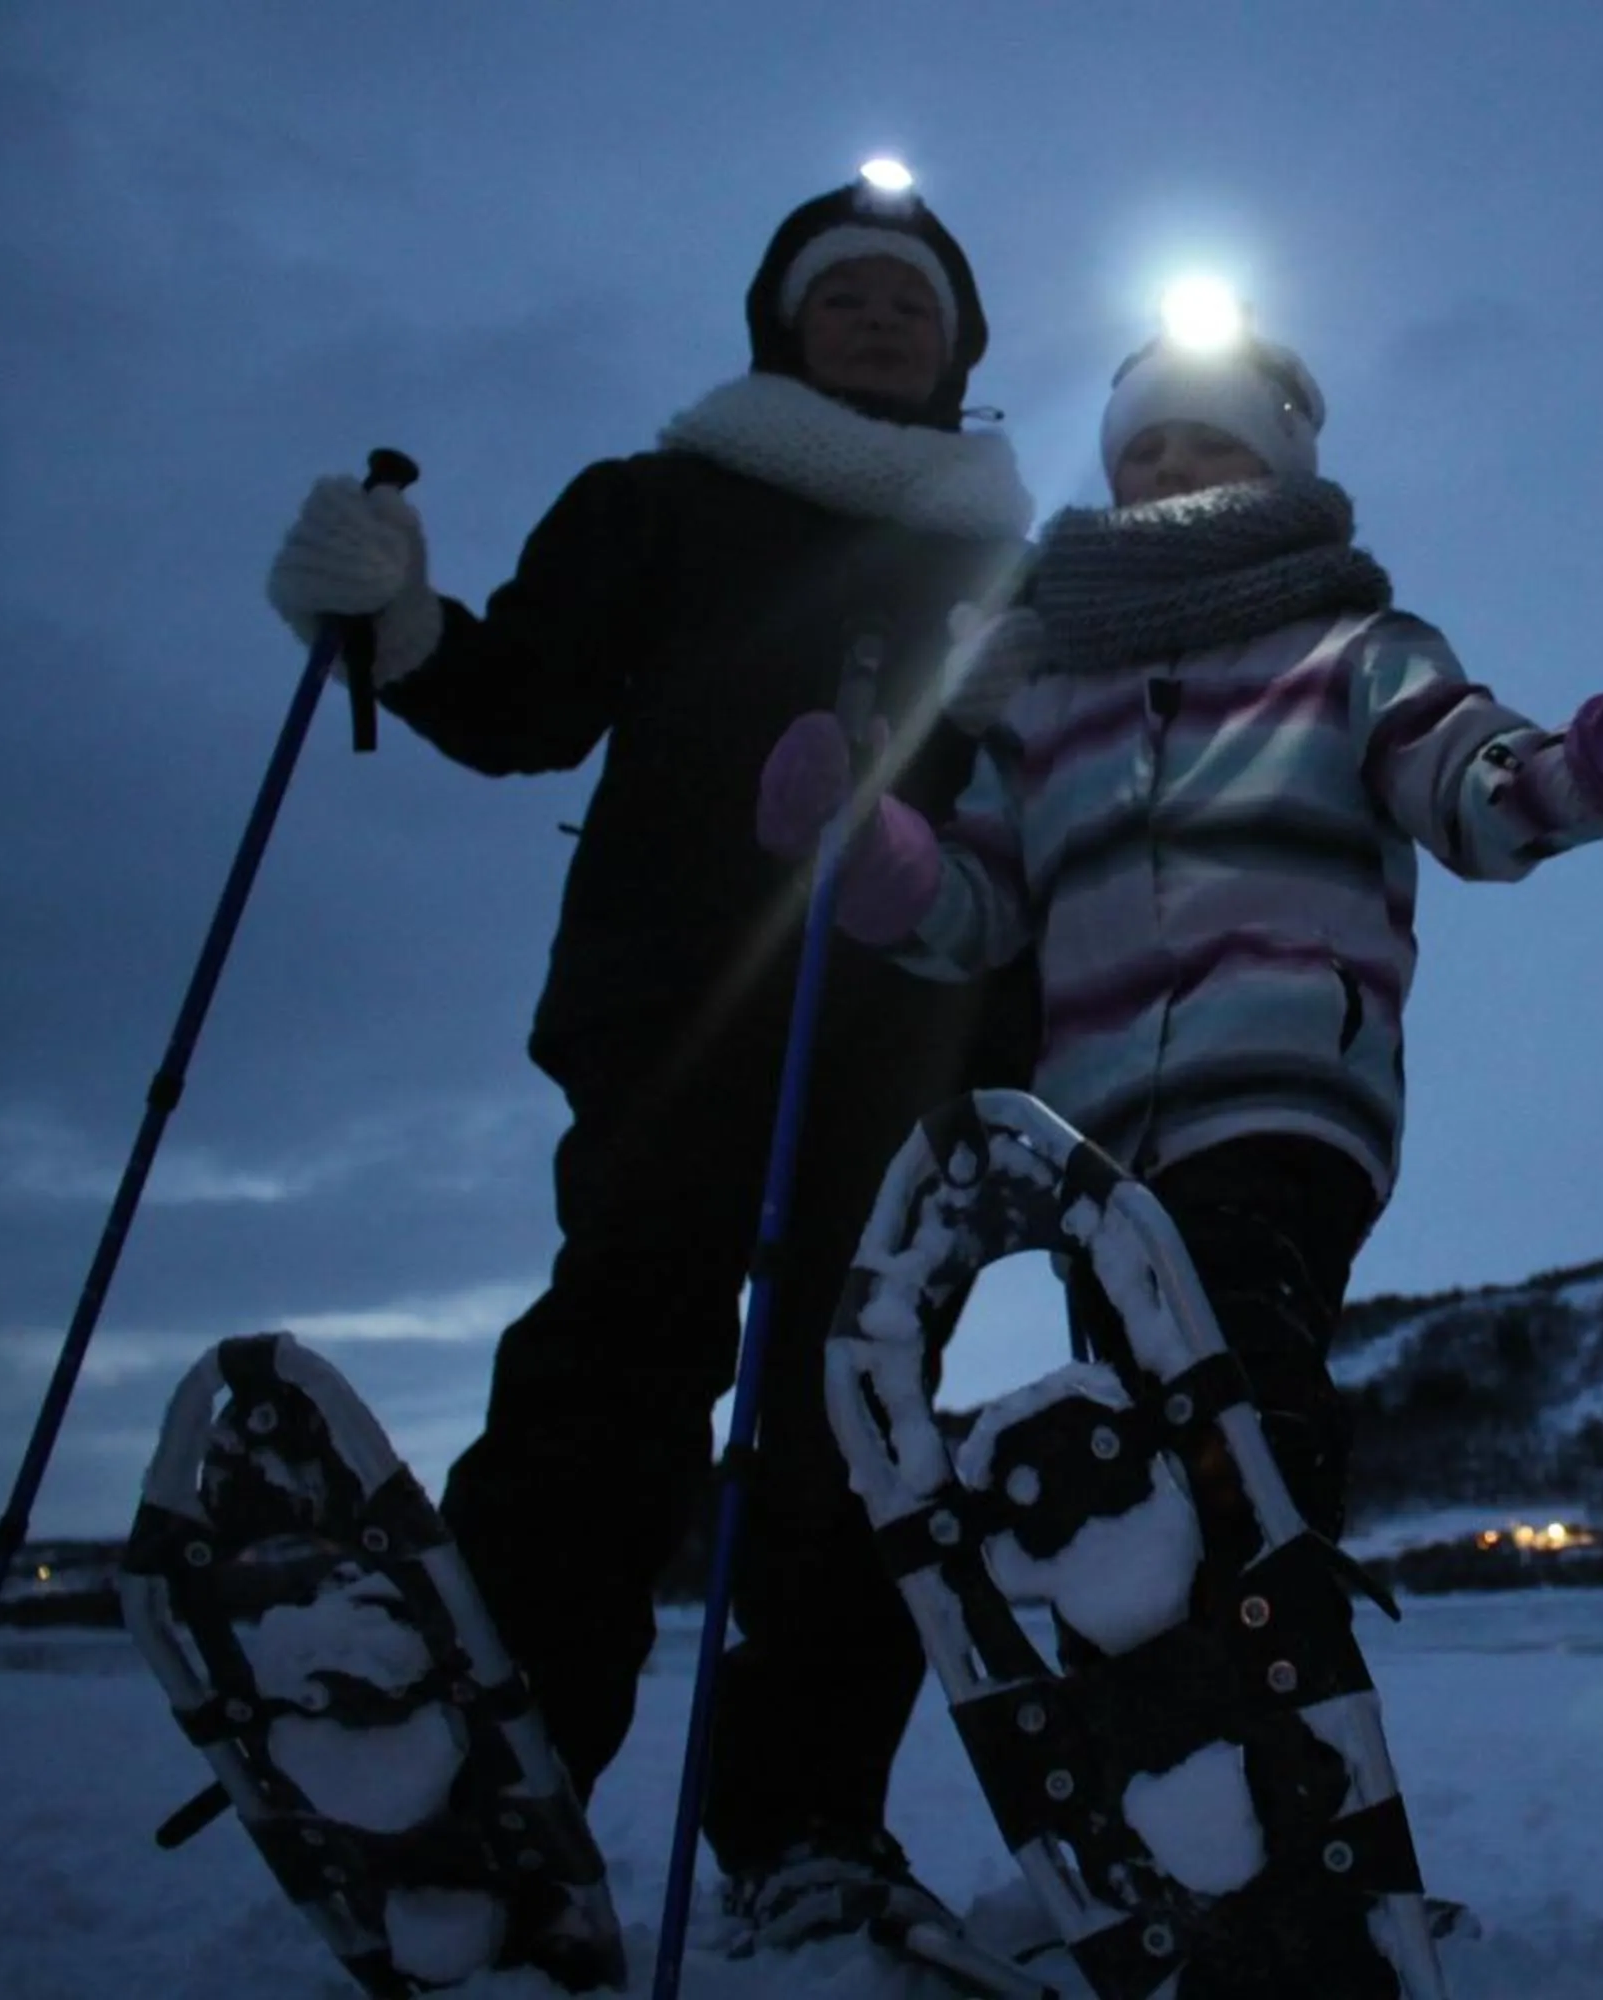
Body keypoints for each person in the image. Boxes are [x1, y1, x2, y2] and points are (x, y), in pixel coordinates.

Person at [754, 312, 1603, 1993]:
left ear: (1278, 468)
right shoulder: (1051, 692)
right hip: (1084, 1148)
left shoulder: (1352, 642)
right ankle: (1194, 1829)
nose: (1165, 470)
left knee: (1233, 1431)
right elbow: (983, 907)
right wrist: (871, 855)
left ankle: (1287, 1842)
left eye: (1204, 444)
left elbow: (1480, 787)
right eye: (1141, 446)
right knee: (1125, 1480)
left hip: (1280, 1096)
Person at [259, 167, 1040, 1943]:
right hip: (674, 1009)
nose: (876, 314)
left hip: (905, 1038)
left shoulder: (1014, 567)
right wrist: (391, 621)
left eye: (909, 298)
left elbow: (1046, 814)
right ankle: (493, 1812)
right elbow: (523, 703)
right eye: (841, 290)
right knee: (605, 1387)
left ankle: (812, 1829)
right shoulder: (658, 503)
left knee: (858, 1435)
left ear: (959, 349)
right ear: (779, 323)